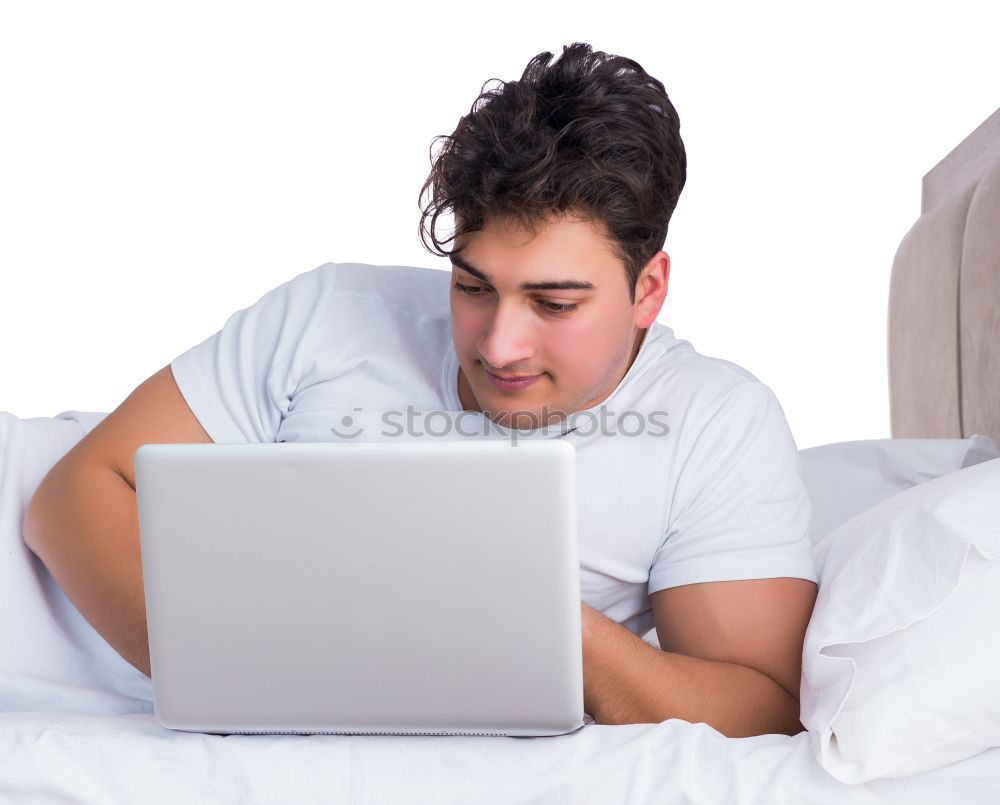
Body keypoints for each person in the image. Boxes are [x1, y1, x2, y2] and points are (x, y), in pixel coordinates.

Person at [22, 42, 817, 737]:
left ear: (648, 289)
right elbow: (72, 494)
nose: (499, 344)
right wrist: (233, 679)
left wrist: (531, 616)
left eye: (555, 303)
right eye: (473, 287)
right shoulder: (331, 312)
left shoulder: (717, 421)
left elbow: (760, 707)